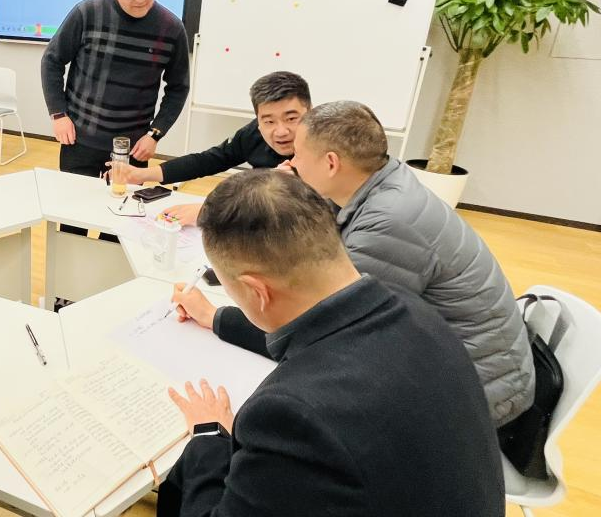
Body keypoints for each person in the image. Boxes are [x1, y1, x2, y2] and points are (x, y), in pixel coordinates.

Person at [158, 169, 504, 516]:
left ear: (256, 290)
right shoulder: (414, 309)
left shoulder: (290, 416)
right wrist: (216, 317)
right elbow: (324, 331)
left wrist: (208, 435)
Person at [177, 100, 535, 428]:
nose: (291, 163)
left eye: (298, 154)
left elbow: (325, 333)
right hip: (464, 361)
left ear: (331, 163)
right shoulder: (382, 182)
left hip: (476, 393)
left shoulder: (387, 225)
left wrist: (214, 317)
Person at [40, 0, 190, 179]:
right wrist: (58, 114)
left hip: (133, 147)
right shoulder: (87, 13)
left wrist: (155, 134)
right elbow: (52, 61)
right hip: (80, 140)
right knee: (73, 201)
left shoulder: (171, 28)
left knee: (124, 203)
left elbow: (179, 87)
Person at [122, 71, 310, 225]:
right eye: (269, 121)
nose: (281, 131)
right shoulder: (253, 134)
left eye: (291, 118)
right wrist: (142, 174)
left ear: (310, 112)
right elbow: (209, 160)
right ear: (259, 121)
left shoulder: (323, 147)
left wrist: (211, 212)